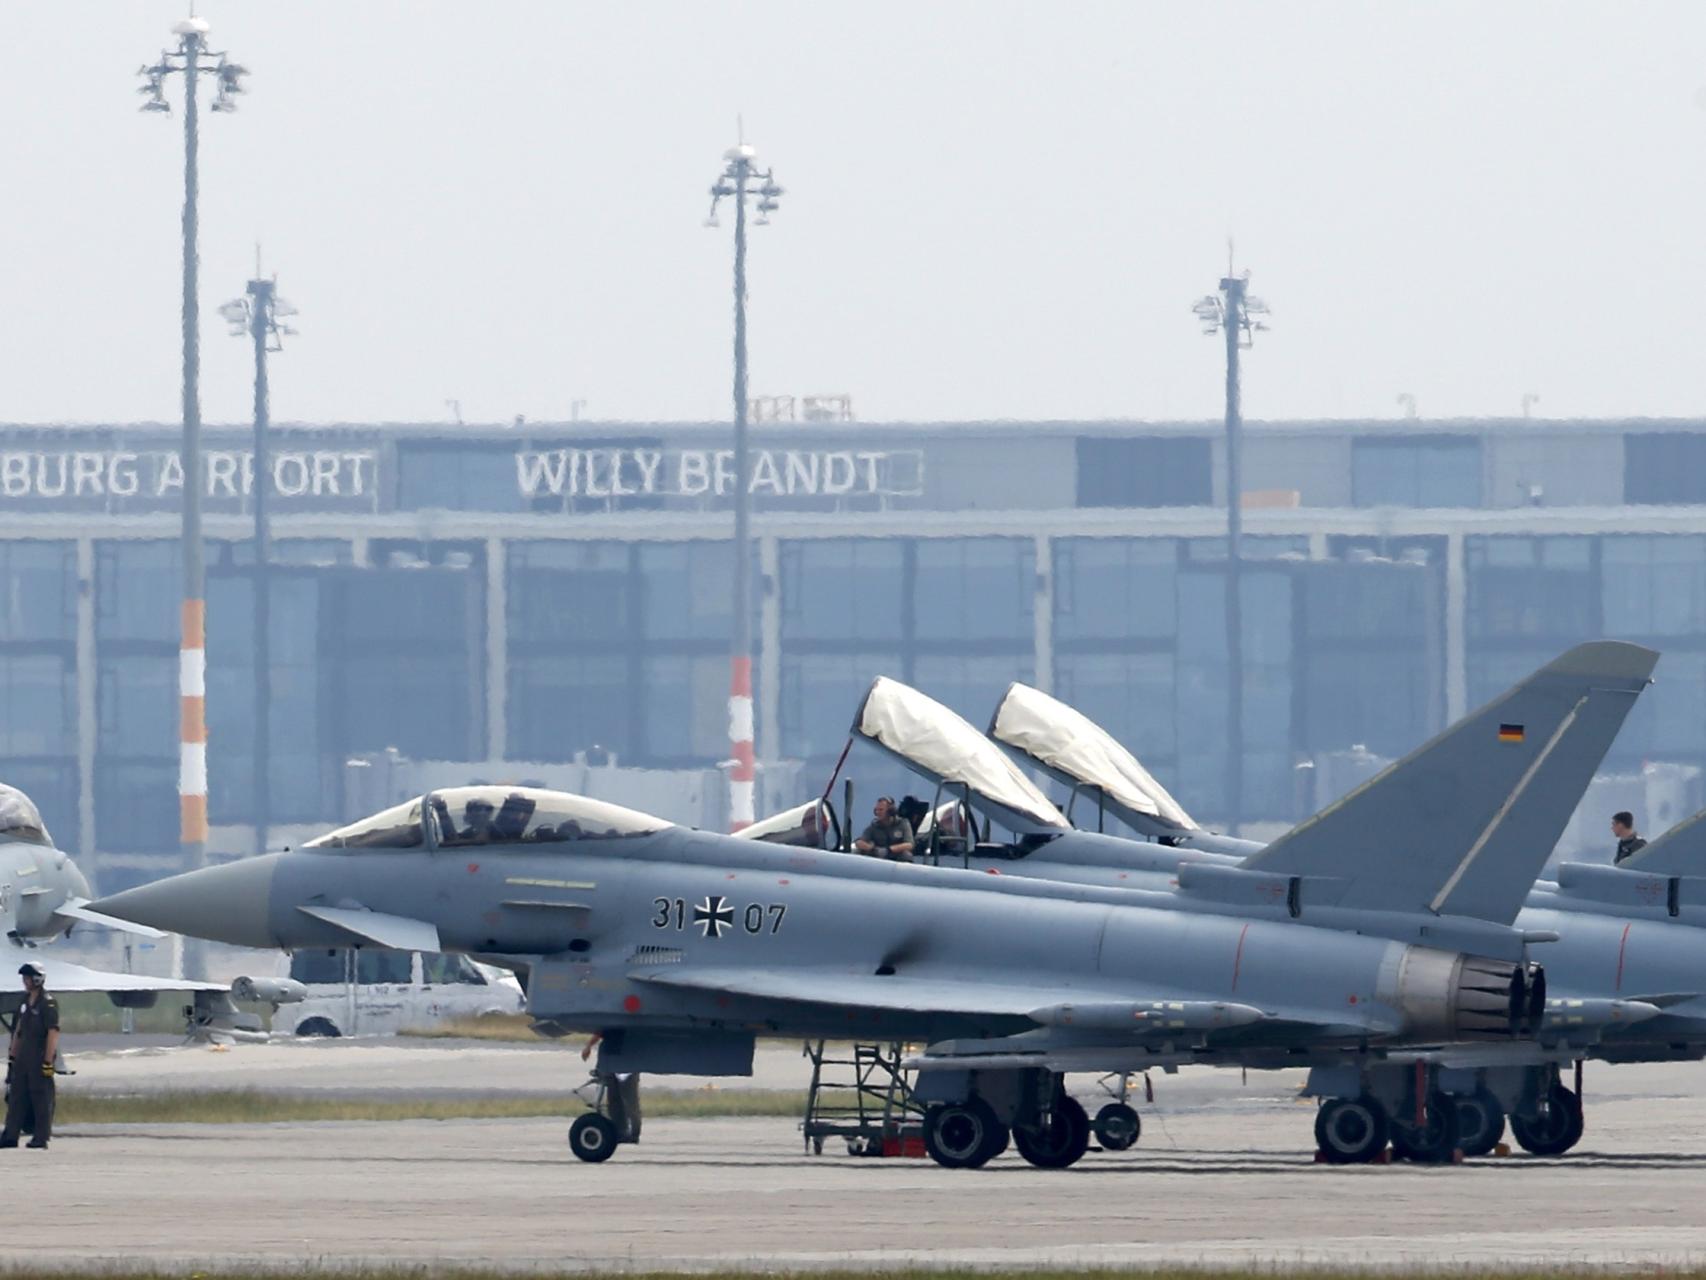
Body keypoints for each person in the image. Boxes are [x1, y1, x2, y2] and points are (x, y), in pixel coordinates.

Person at [1, 963, 58, 1150]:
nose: (25, 982)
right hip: (23, 1059)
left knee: (40, 1097)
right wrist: (12, 1055)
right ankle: (10, 1135)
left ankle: (41, 1137)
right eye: (24, 978)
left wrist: (48, 1062)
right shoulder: (25, 1001)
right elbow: (18, 1030)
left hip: (39, 1058)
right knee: (17, 1096)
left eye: (28, 978)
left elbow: (52, 1033)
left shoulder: (47, 1003)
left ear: (37, 979)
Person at [854, 796, 915, 863]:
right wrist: (872, 849)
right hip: (879, 858)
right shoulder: (874, 827)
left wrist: (888, 850)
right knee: (858, 852)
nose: (877, 812)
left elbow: (909, 845)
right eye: (876, 810)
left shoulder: (903, 824)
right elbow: (859, 842)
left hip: (897, 858)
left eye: (881, 810)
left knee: (906, 855)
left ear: (891, 811)